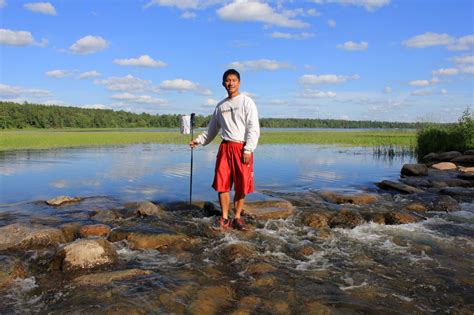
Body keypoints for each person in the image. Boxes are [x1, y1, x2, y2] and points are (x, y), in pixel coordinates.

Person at [190, 69, 260, 231]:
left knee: (242, 185)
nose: (230, 83)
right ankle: (224, 217)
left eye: (234, 80)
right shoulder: (221, 106)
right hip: (225, 147)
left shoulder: (246, 102)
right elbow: (212, 130)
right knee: (223, 184)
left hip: (242, 147)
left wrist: (248, 149)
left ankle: (237, 217)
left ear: (239, 82)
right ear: (223, 84)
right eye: (227, 80)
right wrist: (198, 141)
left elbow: (253, 128)